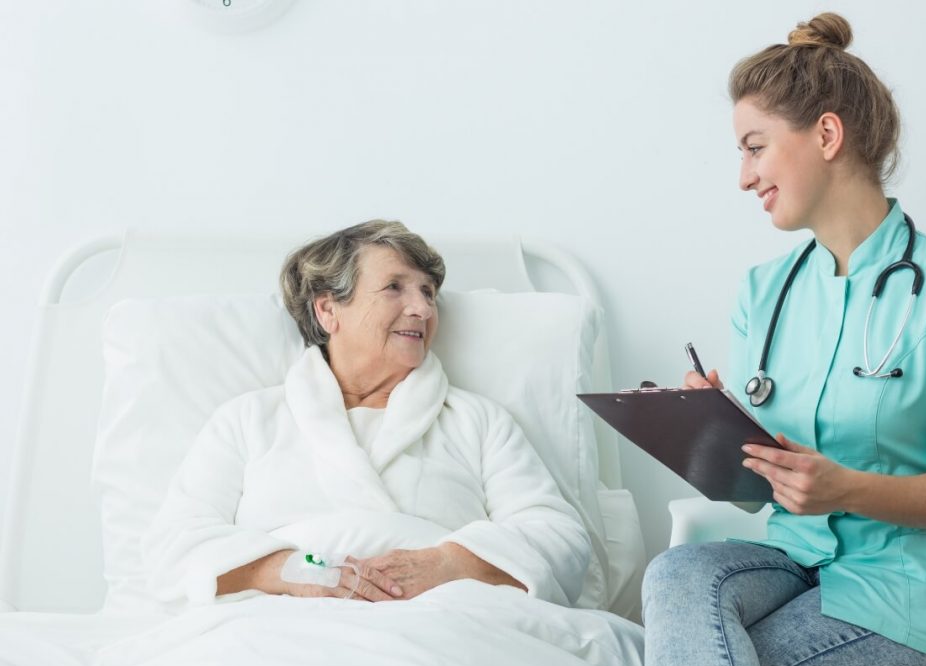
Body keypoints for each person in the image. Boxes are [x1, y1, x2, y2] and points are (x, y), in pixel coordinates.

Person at [642, 13, 926, 666]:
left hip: (910, 601)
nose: (744, 177)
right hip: (794, 564)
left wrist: (847, 489)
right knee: (677, 575)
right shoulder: (764, 293)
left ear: (828, 135)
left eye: (755, 148)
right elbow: (757, 493)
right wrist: (712, 434)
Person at [142, 220, 590, 608]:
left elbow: (559, 539)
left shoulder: (478, 422)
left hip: (445, 624)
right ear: (327, 309)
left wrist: (447, 563)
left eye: (428, 292)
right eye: (395, 286)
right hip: (279, 627)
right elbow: (172, 547)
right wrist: (291, 571)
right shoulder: (247, 420)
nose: (423, 309)